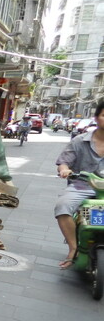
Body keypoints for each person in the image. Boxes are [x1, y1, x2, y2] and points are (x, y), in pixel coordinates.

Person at [54, 99, 104, 269]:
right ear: (97, 118)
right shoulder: (80, 141)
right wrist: (64, 170)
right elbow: (64, 162)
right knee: (62, 206)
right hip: (82, 186)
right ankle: (73, 249)